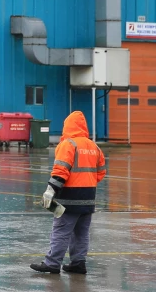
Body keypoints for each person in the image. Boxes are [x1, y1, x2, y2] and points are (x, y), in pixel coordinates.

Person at [31, 110, 106, 275]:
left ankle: (52, 263)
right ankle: (78, 263)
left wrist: (50, 191)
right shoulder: (94, 146)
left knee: (61, 231)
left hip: (69, 198)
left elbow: (60, 171)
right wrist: (87, 184)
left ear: (68, 126)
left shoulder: (68, 144)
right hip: (88, 198)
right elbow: (101, 172)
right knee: (81, 233)